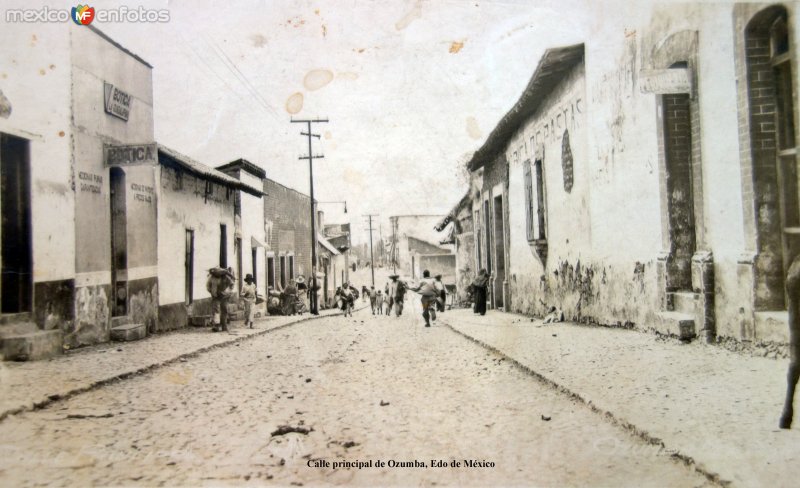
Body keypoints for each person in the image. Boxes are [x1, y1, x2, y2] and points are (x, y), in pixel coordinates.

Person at [206, 267, 235, 332]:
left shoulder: (225, 277)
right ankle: (216, 326)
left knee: (224, 310)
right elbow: (208, 286)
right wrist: (212, 292)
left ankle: (224, 325)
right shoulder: (211, 278)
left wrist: (226, 292)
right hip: (215, 297)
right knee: (216, 310)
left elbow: (232, 285)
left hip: (224, 297)